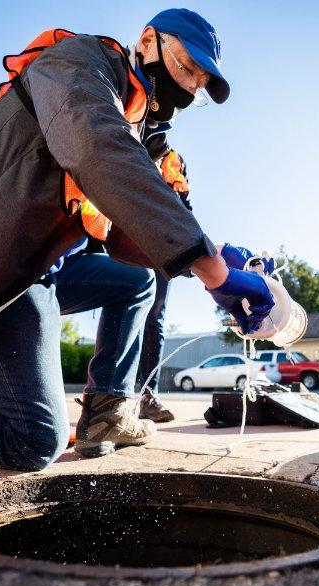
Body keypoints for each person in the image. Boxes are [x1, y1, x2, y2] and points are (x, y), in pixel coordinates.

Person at [0, 9, 275, 470]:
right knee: (33, 441)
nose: (189, 89)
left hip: (34, 273)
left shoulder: (140, 130)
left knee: (135, 283)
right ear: (147, 40)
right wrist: (209, 265)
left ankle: (108, 411)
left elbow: (126, 239)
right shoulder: (76, 62)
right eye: (187, 69)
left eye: (199, 85)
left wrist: (216, 261)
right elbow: (94, 146)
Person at [138, 150, 192, 422]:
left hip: (161, 250)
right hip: (129, 240)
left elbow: (185, 205)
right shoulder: (139, 138)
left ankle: (148, 394)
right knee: (127, 312)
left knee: (154, 319)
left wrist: (192, 250)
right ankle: (109, 393)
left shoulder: (176, 159)